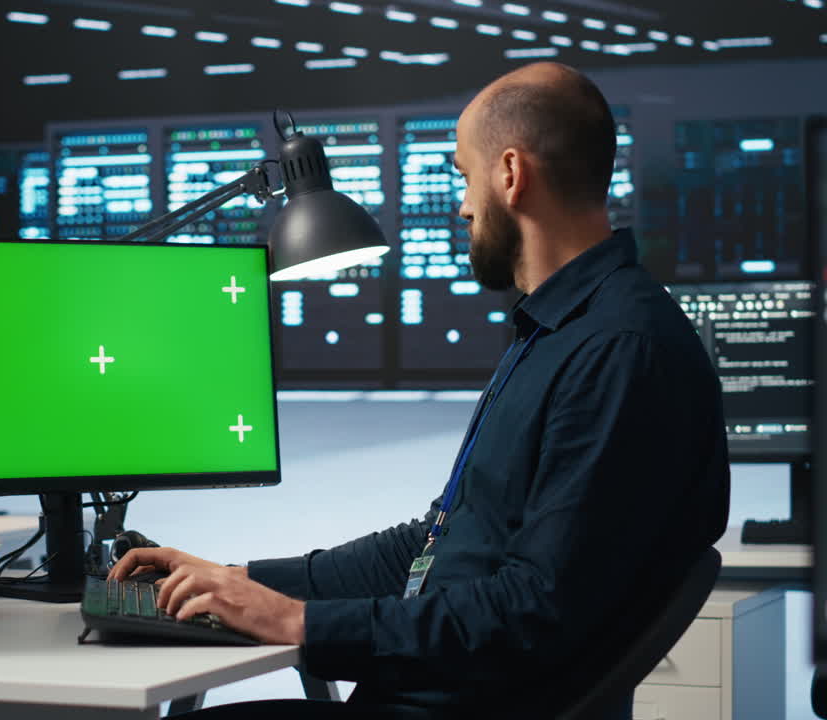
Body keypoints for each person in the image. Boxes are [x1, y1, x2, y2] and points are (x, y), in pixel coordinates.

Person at [109, 62, 730, 720]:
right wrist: (241, 580)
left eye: (465, 176)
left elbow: (530, 615)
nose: (462, 204)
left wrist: (302, 623)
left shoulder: (617, 353)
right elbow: (432, 546)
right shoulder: (557, 332)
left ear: (511, 175)